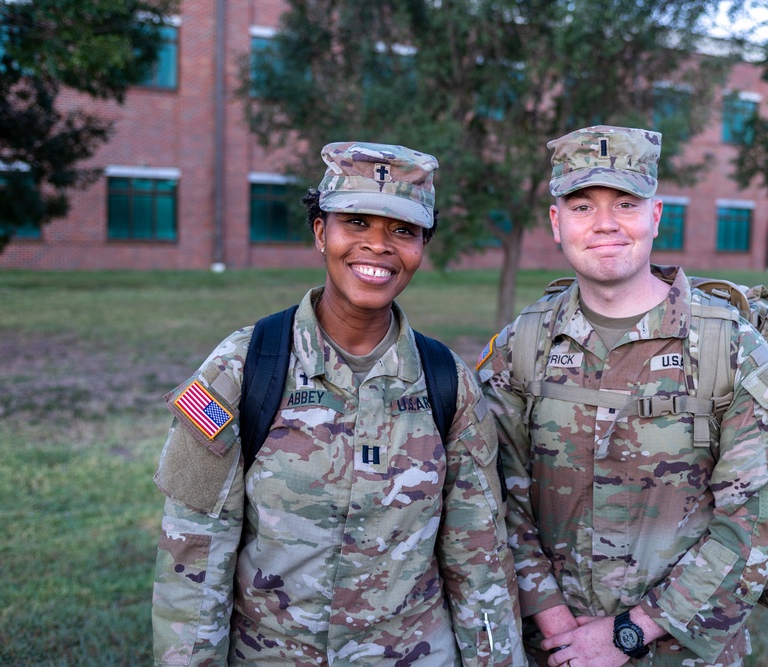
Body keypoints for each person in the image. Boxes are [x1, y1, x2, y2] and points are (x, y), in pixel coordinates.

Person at [151, 141, 526, 666]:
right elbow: (194, 554)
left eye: (403, 230)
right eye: (356, 223)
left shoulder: (448, 383)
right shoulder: (241, 368)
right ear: (321, 232)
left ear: (423, 245)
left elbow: (479, 559)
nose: (379, 246)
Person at [477, 126, 768, 667]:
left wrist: (631, 632)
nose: (605, 224)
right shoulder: (522, 344)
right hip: (552, 647)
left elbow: (753, 523)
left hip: (681, 648)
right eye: (582, 206)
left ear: (655, 217)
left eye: (625, 203)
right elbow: (493, 494)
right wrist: (555, 620)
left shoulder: (730, 345)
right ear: (557, 223)